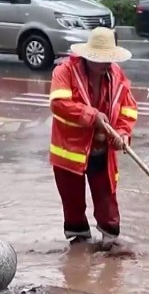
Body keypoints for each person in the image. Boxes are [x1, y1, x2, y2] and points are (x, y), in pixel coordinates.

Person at [48, 27, 138, 246]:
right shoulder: (65, 71)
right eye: (101, 59)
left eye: (109, 58)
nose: (106, 63)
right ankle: (78, 243)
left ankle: (111, 242)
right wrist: (92, 115)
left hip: (101, 150)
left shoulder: (116, 74)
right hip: (70, 152)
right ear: (89, 56)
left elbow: (128, 109)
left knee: (107, 199)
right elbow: (59, 104)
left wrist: (123, 133)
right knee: (72, 201)